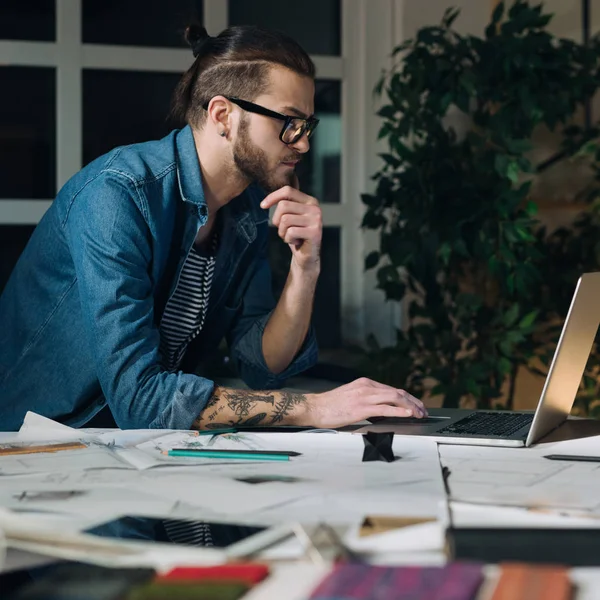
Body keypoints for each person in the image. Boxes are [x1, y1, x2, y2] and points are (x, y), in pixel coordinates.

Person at [0, 25, 427, 433]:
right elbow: (140, 400)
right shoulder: (117, 196)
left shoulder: (246, 212)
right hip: (41, 447)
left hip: (146, 448)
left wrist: (306, 267)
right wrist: (317, 406)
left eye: (307, 125)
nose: (303, 143)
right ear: (223, 114)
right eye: (289, 122)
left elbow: (261, 362)